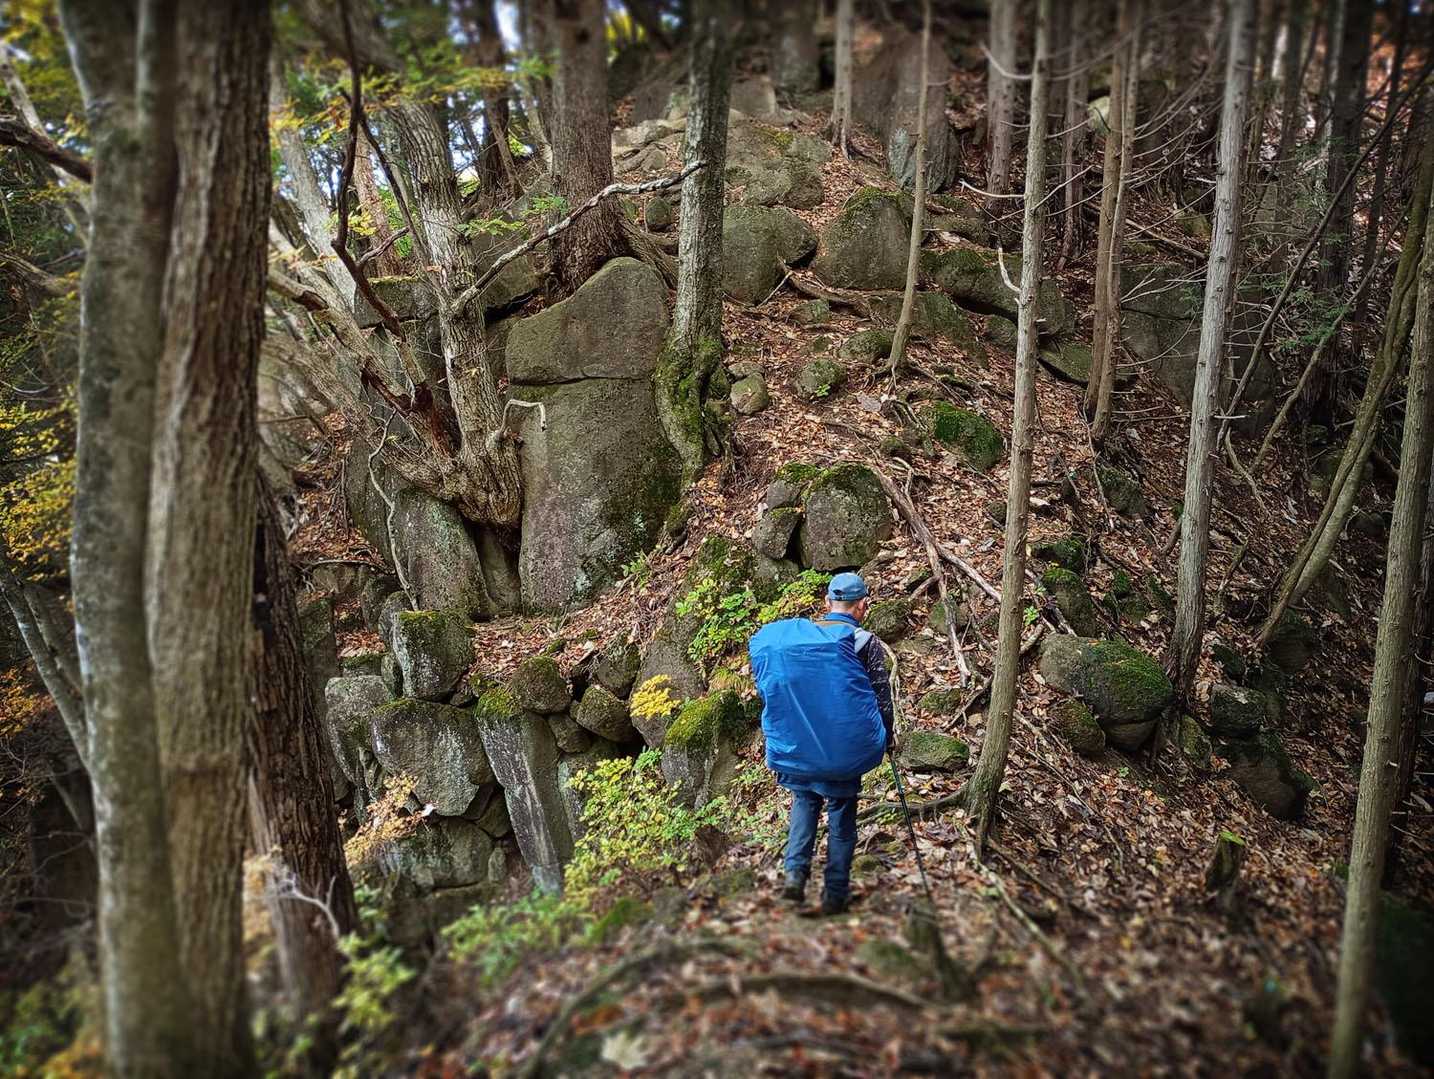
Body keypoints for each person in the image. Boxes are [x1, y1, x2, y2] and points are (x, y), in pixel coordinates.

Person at [749, 571, 894, 915]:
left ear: (827, 602)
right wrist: (886, 738)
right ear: (863, 606)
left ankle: (794, 879)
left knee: (804, 802)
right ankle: (834, 895)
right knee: (842, 815)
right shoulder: (863, 642)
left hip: (799, 747)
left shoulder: (800, 643)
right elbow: (881, 698)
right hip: (841, 750)